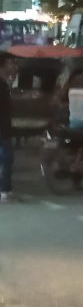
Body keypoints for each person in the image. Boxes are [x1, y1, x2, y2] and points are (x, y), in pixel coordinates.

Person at [0, 53, 17, 203]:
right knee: (6, 158)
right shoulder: (2, 84)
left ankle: (6, 189)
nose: (11, 66)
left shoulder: (4, 83)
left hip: (4, 127)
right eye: (9, 64)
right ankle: (5, 190)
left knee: (6, 158)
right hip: (3, 128)